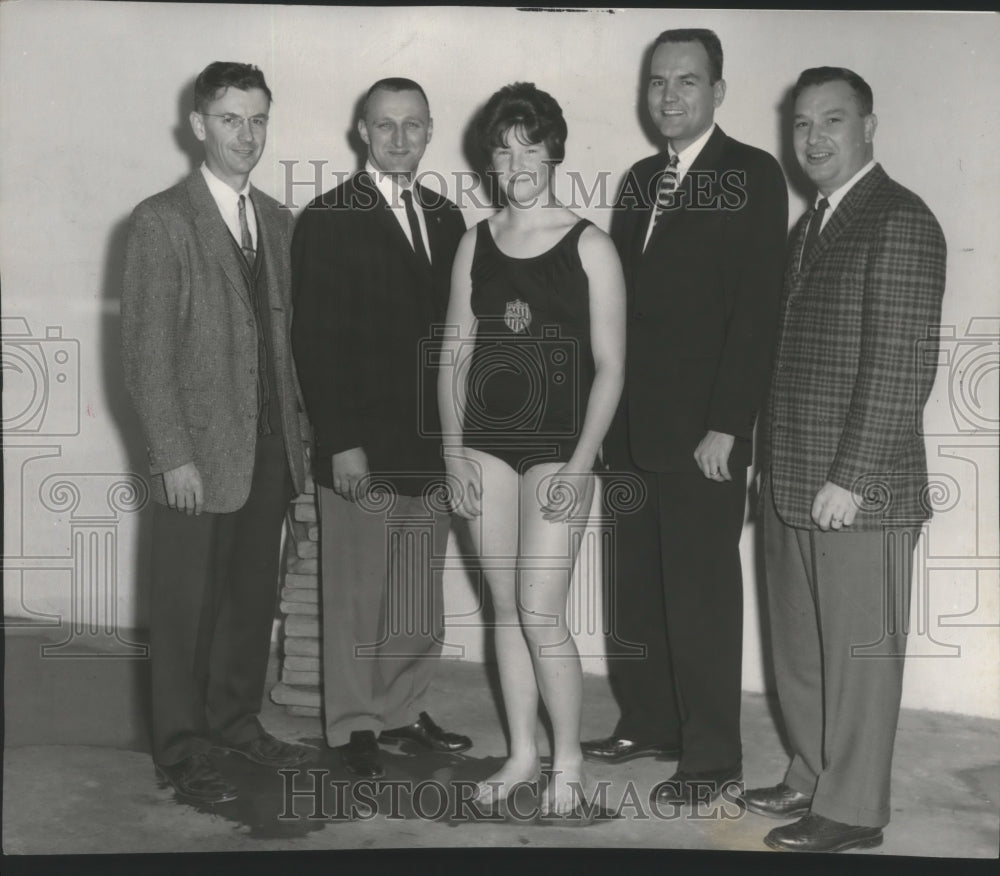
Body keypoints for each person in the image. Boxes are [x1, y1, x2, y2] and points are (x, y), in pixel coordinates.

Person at [583, 28, 788, 808]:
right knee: (634, 588)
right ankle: (649, 722)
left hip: (706, 436)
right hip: (633, 430)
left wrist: (730, 425)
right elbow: (621, 312)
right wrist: (602, 424)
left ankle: (710, 758)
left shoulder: (753, 174)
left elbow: (757, 310)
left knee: (700, 598)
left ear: (718, 92)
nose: (669, 97)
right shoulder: (639, 179)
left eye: (687, 83)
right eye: (658, 83)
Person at [743, 67, 946, 853]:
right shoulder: (812, 224)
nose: (814, 139)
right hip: (793, 479)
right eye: (801, 125)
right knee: (800, 648)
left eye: (833, 120)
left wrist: (851, 478)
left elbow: (900, 368)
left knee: (858, 658)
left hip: (859, 491)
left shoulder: (899, 220)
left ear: (869, 125)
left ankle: (854, 810)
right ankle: (811, 773)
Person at [121, 61, 311, 805]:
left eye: (258, 119)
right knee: (183, 607)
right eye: (231, 118)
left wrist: (299, 444)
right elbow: (145, 357)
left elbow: (288, 349)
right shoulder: (161, 221)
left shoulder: (281, 222)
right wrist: (173, 456)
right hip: (197, 456)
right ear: (199, 125)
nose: (247, 134)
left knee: (247, 601)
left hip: (269, 451)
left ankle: (236, 720)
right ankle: (179, 748)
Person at [439, 82, 626, 816]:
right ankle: (521, 753)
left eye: (528, 145)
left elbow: (612, 366)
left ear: (553, 150)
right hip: (485, 445)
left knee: (540, 609)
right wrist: (453, 455)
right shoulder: (475, 243)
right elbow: (454, 351)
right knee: (505, 611)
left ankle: (569, 761)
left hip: (559, 451)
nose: (515, 160)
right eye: (501, 147)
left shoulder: (591, 245)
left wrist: (581, 467)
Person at [291, 78, 471, 780]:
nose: (399, 138)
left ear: (429, 131)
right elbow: (314, 339)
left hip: (430, 442)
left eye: (413, 126)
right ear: (362, 132)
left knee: (416, 594)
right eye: (385, 126)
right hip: (360, 443)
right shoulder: (328, 218)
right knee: (358, 593)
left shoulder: (447, 218)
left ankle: (402, 708)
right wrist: (339, 439)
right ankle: (354, 724)